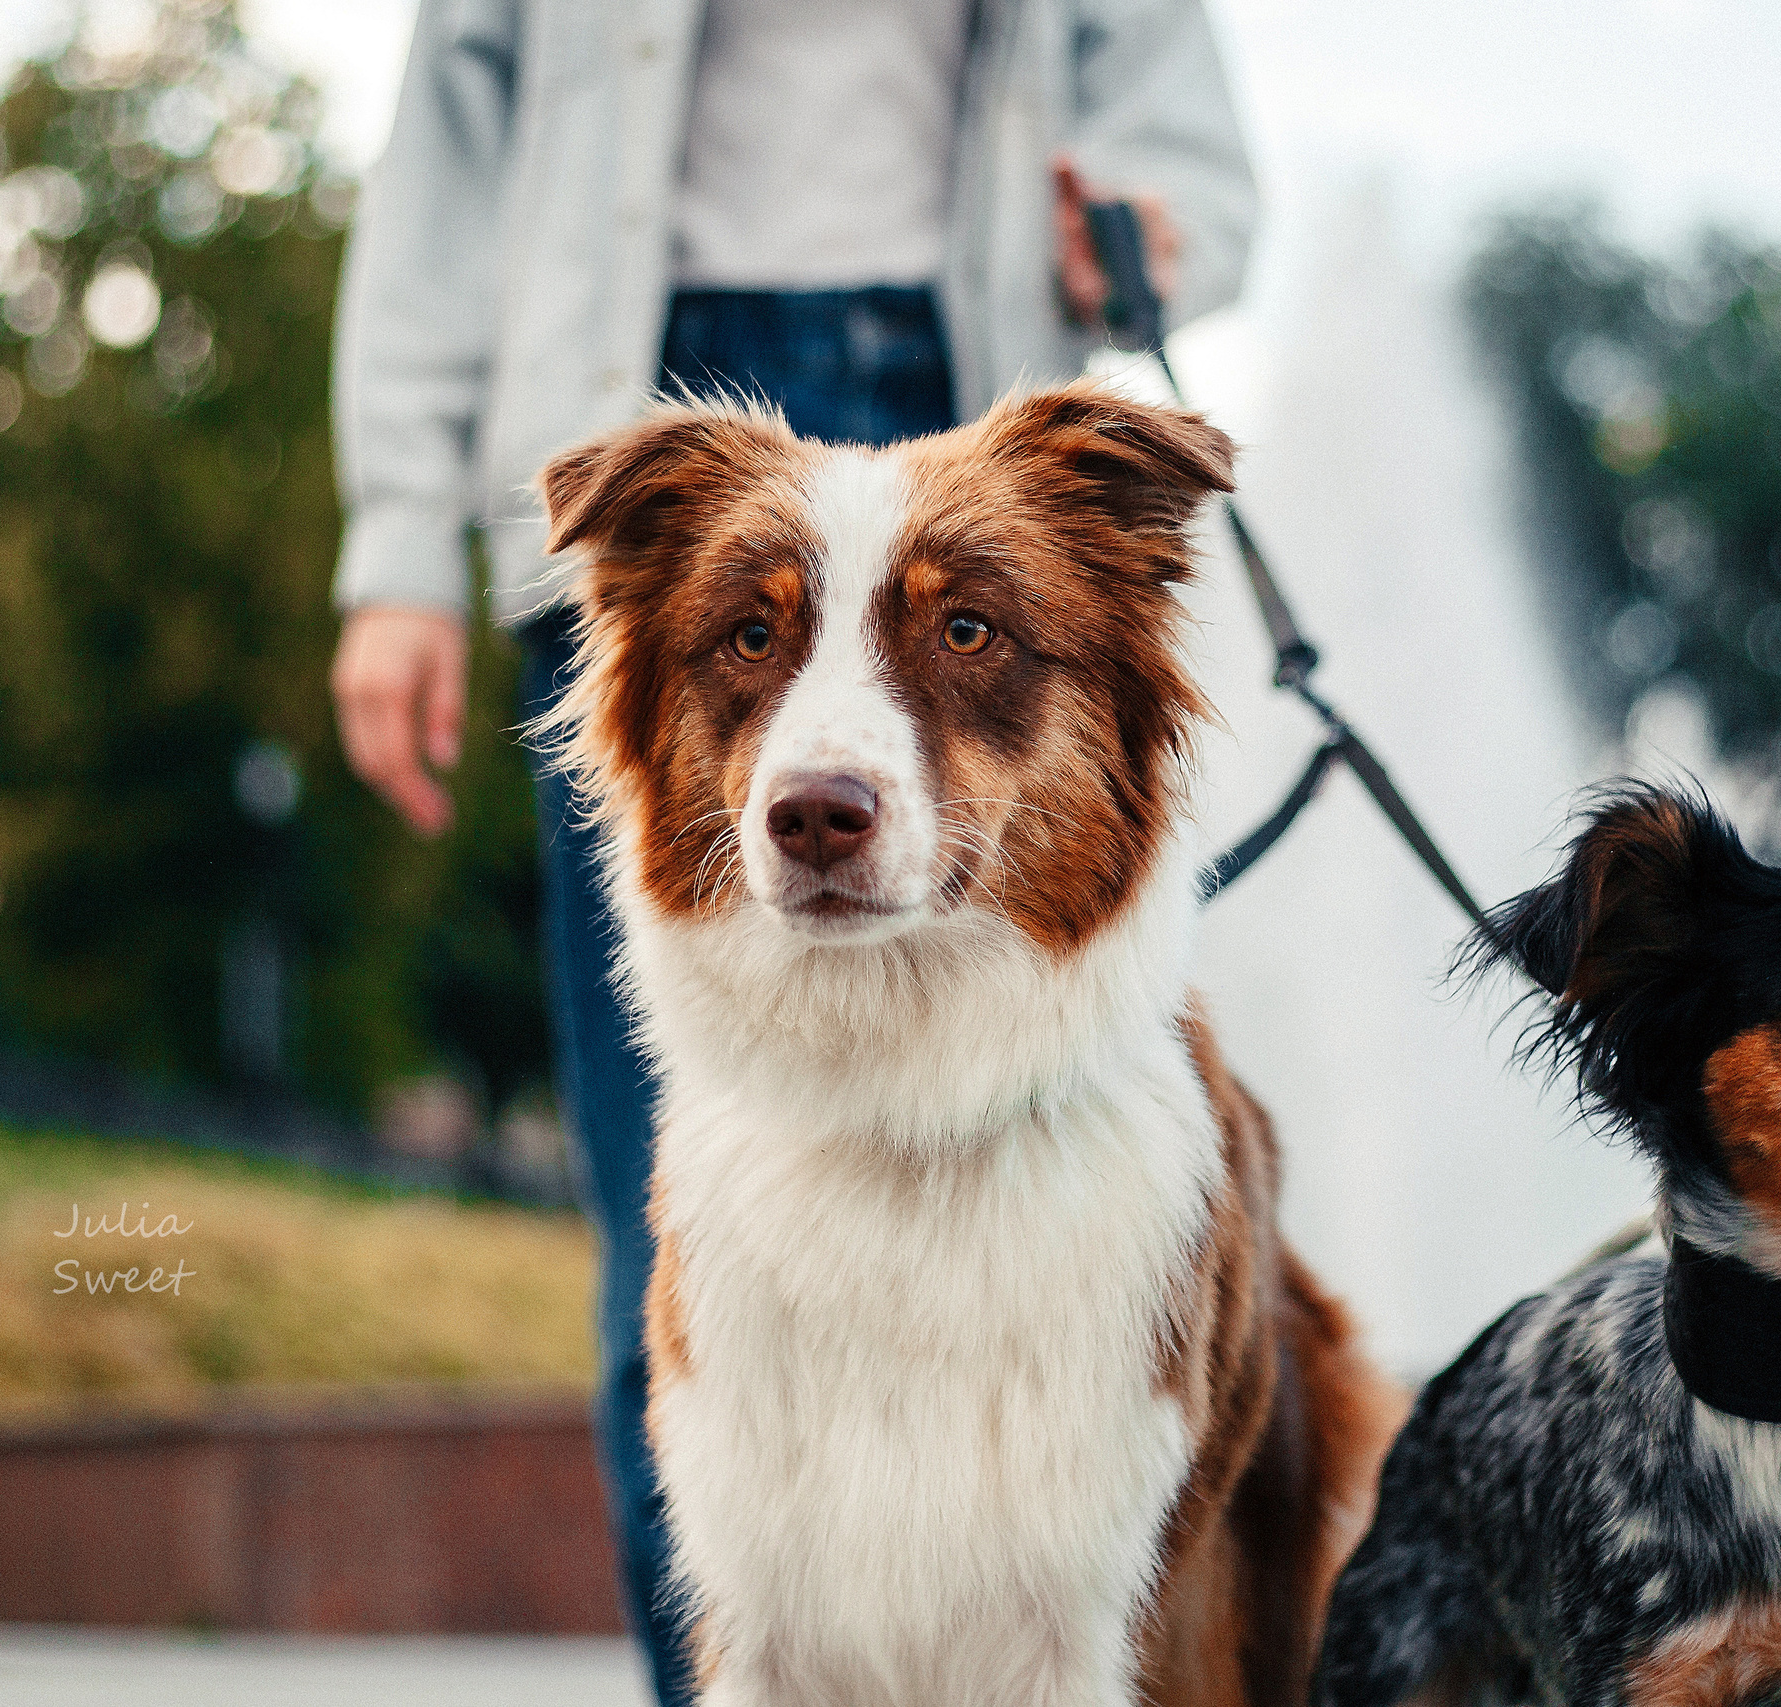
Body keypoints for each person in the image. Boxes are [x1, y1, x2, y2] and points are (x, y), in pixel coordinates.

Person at [325, 5, 1257, 1699]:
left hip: (967, 351)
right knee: (669, 1239)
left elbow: (1170, 101)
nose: (826, 777)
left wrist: (1155, 219)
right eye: (771, 662)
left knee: (1074, 1151)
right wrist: (398, 537)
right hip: (624, 394)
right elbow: (448, 139)